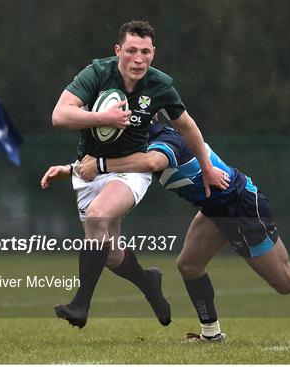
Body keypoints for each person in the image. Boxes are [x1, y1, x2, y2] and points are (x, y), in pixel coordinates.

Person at [41, 120, 290, 341]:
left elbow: (146, 162)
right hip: (214, 209)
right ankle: (212, 335)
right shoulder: (136, 144)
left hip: (239, 207)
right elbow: (117, 164)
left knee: (287, 280)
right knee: (188, 265)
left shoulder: (165, 142)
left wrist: (97, 162)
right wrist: (70, 168)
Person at [49, 20, 228, 329]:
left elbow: (187, 126)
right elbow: (59, 115)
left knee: (96, 218)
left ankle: (80, 304)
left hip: (129, 170)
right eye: (131, 51)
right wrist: (103, 117)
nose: (138, 59)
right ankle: (150, 286)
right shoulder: (96, 74)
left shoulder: (159, 85)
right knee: (111, 253)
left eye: (145, 52)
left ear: (153, 53)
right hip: (91, 168)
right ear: (118, 51)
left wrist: (208, 166)